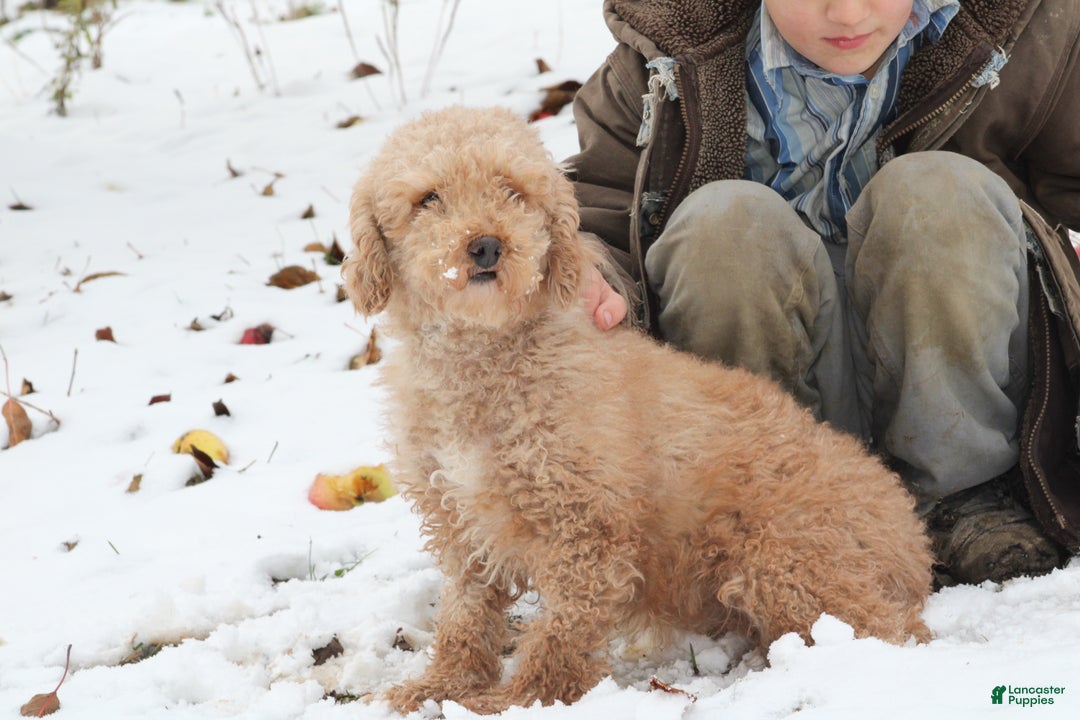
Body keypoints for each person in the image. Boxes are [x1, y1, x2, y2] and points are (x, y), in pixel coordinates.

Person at [570, 0, 1080, 585]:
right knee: (725, 221)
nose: (846, 13)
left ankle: (966, 497)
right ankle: (762, 509)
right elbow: (595, 213)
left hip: (962, 366)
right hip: (770, 395)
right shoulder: (663, 57)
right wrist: (587, 268)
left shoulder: (1022, 31)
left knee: (937, 191)